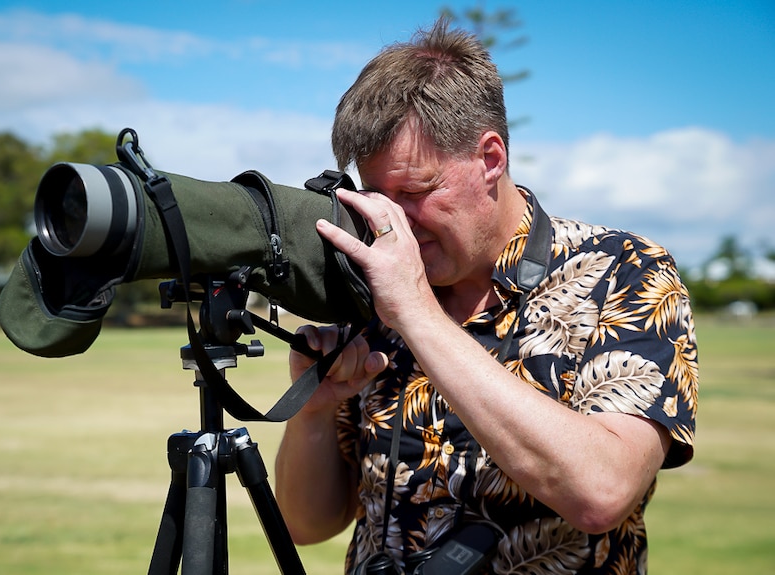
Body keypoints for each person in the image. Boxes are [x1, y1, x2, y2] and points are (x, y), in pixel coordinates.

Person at [274, 19, 697, 575]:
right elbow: (307, 525)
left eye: (416, 191)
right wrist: (314, 412)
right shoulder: (373, 289)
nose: (395, 220)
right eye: (376, 197)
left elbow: (602, 493)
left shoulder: (625, 272)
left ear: (490, 158)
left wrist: (418, 315)